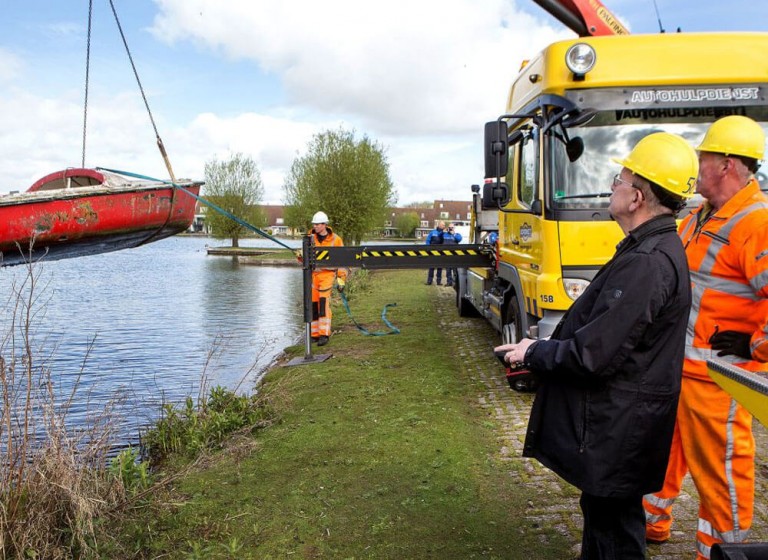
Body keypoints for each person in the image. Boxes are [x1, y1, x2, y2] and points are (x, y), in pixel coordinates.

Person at [496, 132, 698, 560]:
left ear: (638, 196)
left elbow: (594, 355)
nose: (612, 186)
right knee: (606, 515)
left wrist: (532, 352)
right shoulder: (648, 249)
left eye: (619, 179)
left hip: (623, 425)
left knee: (615, 528)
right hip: (625, 421)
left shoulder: (648, 262)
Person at [643, 115, 768, 559]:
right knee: (664, 450)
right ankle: (652, 522)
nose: (698, 163)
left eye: (704, 155)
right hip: (680, 366)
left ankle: (724, 551)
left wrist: (754, 346)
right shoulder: (699, 213)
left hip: (722, 377)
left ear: (727, 164)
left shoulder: (756, 223)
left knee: (721, 470)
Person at [308, 211, 347, 347]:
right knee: (313, 305)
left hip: (327, 275)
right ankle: (314, 334)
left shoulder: (336, 240)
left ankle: (324, 334)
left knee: (323, 304)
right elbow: (303, 259)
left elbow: (342, 261)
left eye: (318, 224)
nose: (315, 227)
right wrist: (300, 255)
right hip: (313, 276)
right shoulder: (309, 238)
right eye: (314, 224)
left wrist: (341, 280)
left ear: (324, 225)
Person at [425, 221, 445, 285]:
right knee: (431, 267)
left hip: (440, 253)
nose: (443, 226)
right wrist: (428, 249)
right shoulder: (432, 232)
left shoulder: (445, 233)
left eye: (444, 225)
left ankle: (438, 282)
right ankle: (429, 281)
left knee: (439, 267)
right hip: (432, 252)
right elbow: (428, 241)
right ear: (439, 225)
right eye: (442, 225)